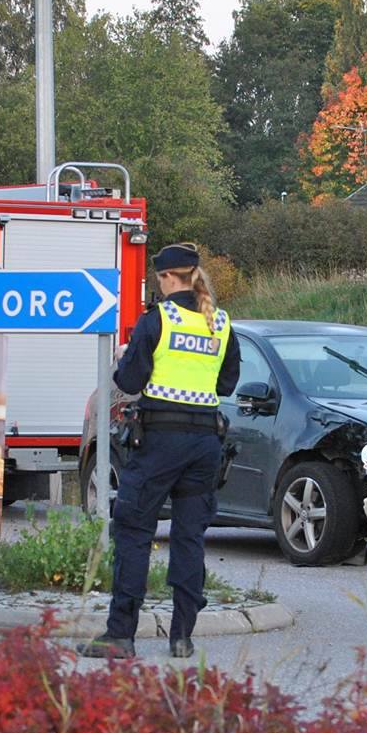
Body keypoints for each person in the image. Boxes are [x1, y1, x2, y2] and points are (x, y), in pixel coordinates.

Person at [79, 243, 239, 660]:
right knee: (189, 538)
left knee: (133, 533)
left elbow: (131, 381)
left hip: (159, 443)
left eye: (159, 278)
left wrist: (124, 357)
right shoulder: (220, 323)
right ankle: (182, 636)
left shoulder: (158, 320)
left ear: (167, 278)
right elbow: (226, 385)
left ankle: (120, 636)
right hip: (205, 443)